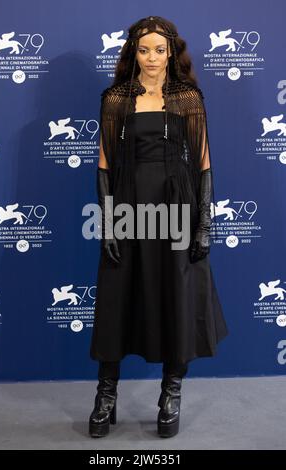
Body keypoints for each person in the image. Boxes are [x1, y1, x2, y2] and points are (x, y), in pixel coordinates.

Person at [88, 16, 228, 438]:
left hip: (178, 209)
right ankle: (105, 395)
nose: (151, 58)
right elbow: (104, 166)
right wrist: (109, 225)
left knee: (177, 297)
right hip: (129, 210)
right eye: (143, 49)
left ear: (171, 53)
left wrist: (203, 223)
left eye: (159, 50)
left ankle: (171, 393)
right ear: (133, 52)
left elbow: (203, 162)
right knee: (116, 298)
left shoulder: (188, 97)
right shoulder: (116, 99)